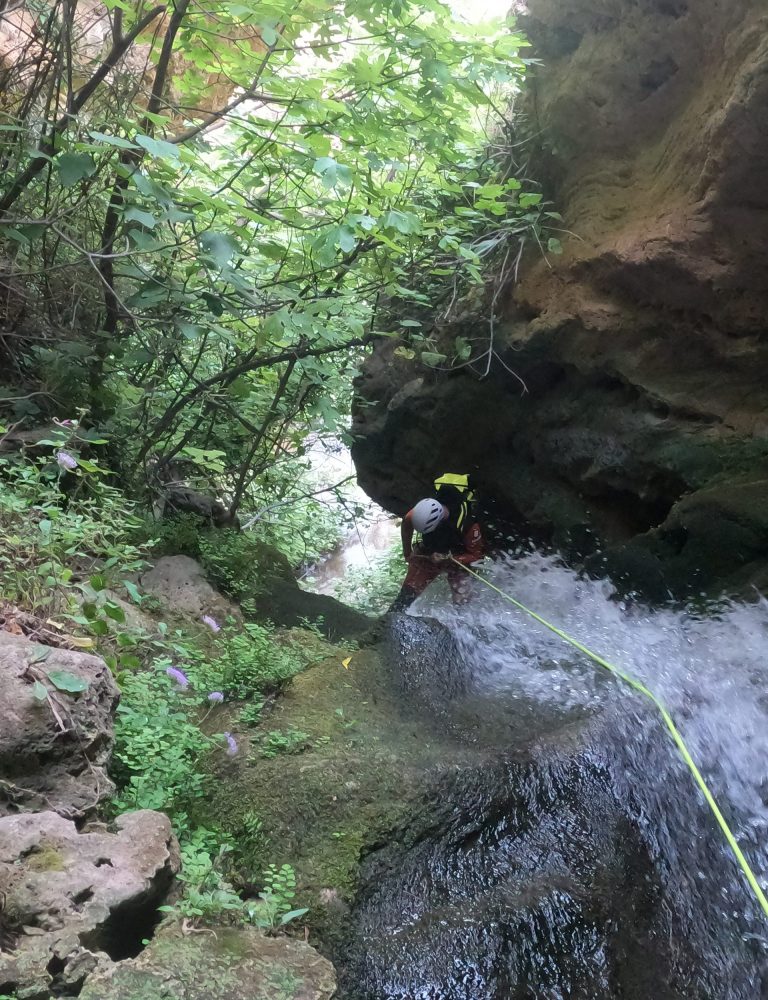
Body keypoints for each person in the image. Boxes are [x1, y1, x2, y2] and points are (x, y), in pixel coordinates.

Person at [390, 473, 484, 612]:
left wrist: (451, 559)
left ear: (439, 523)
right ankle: (393, 616)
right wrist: (407, 552)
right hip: (429, 551)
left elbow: (477, 555)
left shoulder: (469, 525)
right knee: (407, 595)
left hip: (458, 555)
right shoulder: (418, 513)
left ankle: (460, 623)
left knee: (462, 603)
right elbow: (407, 522)